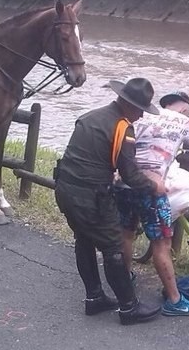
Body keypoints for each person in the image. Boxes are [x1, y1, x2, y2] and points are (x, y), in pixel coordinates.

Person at [54, 77, 166, 325]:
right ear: (132, 106)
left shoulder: (91, 116)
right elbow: (130, 174)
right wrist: (154, 186)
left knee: (83, 239)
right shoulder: (122, 128)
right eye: (141, 111)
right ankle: (129, 307)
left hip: (65, 189)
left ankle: (94, 298)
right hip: (92, 197)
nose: (141, 117)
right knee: (113, 247)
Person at [116, 90, 189, 316]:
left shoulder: (143, 114)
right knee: (162, 244)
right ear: (184, 108)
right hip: (151, 187)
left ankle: (125, 278)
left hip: (125, 180)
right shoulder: (187, 122)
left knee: (127, 233)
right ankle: (174, 300)